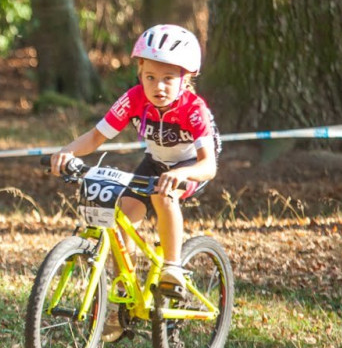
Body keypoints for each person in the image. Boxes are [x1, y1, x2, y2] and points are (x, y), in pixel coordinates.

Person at [49, 23, 219, 322]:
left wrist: (182, 174)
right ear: (140, 72)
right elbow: (95, 137)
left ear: (186, 78)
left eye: (168, 78)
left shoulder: (194, 109)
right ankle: (123, 297)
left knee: (164, 196)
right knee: (121, 219)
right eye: (150, 77)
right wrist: (67, 152)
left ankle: (172, 266)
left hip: (189, 165)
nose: (158, 87)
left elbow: (209, 167)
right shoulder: (134, 98)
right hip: (155, 161)